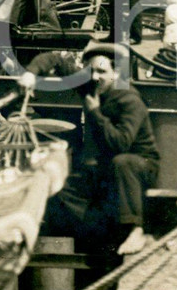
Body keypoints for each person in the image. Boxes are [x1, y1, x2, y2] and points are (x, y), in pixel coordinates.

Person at [20, 43, 159, 255]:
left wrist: (95, 113)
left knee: (121, 162)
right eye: (92, 71)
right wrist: (31, 74)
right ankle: (93, 229)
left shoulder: (129, 99)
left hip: (139, 165)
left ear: (116, 74)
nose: (96, 77)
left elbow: (121, 143)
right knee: (60, 185)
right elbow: (56, 58)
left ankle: (135, 230)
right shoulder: (91, 86)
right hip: (106, 166)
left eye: (102, 71)